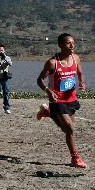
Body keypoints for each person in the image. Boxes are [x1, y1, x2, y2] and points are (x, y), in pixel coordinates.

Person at [36, 33, 88, 168]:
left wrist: (82, 82)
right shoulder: (53, 62)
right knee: (70, 129)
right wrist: (48, 91)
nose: (72, 45)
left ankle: (48, 112)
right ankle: (75, 158)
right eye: (68, 43)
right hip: (57, 100)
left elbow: (80, 73)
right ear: (60, 45)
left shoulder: (75, 58)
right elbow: (40, 80)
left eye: (73, 42)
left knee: (67, 130)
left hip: (71, 99)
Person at [0, 43, 13, 114]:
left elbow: (10, 64)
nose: (0, 51)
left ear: (4, 51)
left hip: (5, 78)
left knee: (6, 93)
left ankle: (7, 108)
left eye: (2, 50)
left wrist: (4, 56)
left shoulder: (7, 58)